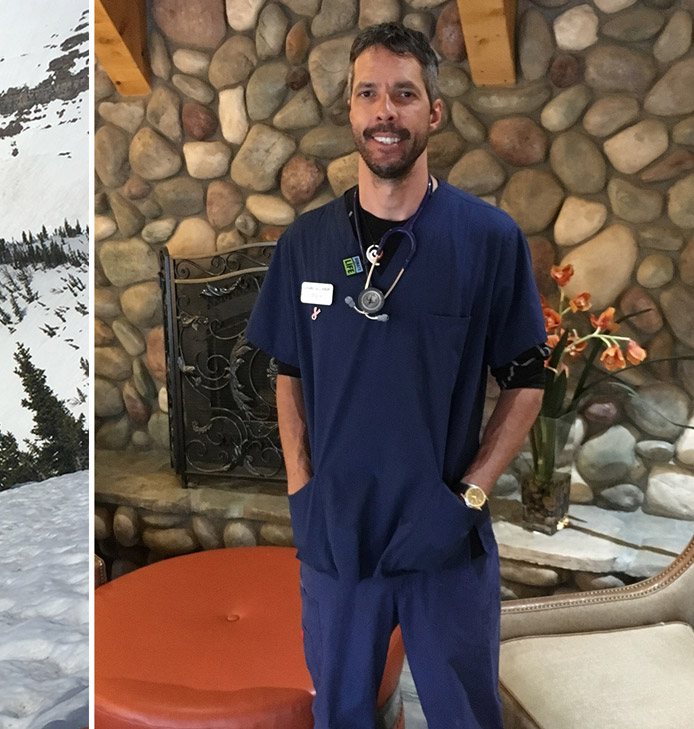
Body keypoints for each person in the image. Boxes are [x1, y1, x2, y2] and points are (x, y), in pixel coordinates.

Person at [245, 23, 547, 729]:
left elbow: (528, 379)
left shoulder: (488, 240)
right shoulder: (306, 244)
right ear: (350, 111)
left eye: (404, 94)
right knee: (344, 712)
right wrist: (301, 488)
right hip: (338, 536)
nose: (386, 111)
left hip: (442, 533)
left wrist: (468, 496)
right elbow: (287, 368)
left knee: (464, 713)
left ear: (433, 113)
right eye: (369, 94)